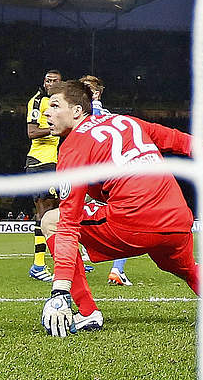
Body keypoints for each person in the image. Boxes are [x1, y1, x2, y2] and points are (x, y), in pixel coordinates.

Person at [38, 80, 203, 336]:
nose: (46, 112)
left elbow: (69, 224)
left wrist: (59, 289)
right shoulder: (127, 121)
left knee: (51, 220)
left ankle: (88, 312)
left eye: (55, 106)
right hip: (177, 220)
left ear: (77, 112)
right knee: (188, 269)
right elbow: (175, 138)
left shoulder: (73, 146)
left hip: (133, 221)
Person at [79, 75, 132, 287]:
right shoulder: (109, 117)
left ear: (96, 93)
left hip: (84, 174)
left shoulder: (77, 115)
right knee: (124, 219)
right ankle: (116, 269)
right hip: (106, 175)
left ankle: (75, 266)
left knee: (68, 218)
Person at [26, 69, 63, 281]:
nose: (49, 83)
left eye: (54, 81)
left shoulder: (58, 102)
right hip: (39, 163)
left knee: (57, 211)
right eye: (47, 80)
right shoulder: (38, 102)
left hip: (53, 163)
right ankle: (39, 265)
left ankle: (62, 260)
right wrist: (54, 128)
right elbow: (31, 132)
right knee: (45, 212)